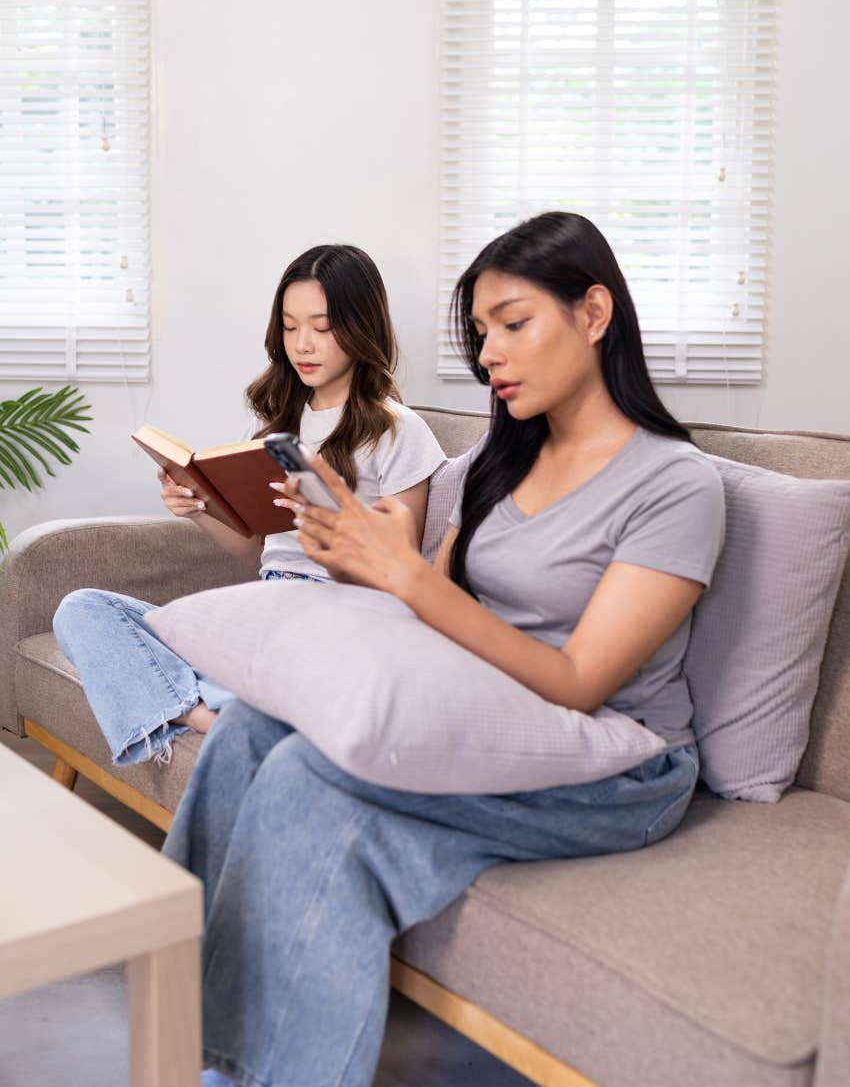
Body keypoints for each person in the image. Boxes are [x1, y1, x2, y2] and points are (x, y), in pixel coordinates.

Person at [162, 212, 726, 1087]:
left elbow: (580, 683)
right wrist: (356, 552)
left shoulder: (676, 484)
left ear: (594, 312)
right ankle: (190, 1038)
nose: (488, 354)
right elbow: (440, 608)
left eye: (512, 323)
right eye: (480, 334)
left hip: (621, 763)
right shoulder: (502, 462)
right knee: (248, 735)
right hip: (485, 712)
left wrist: (407, 577)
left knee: (316, 789)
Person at [52, 244, 445, 765]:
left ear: (360, 326)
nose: (302, 344)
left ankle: (199, 701)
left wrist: (325, 517)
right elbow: (253, 550)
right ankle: (205, 714)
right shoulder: (275, 429)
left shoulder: (397, 430)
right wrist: (199, 505)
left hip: (340, 618)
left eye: (322, 327)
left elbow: (403, 570)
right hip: (264, 608)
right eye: (289, 326)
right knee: (82, 610)